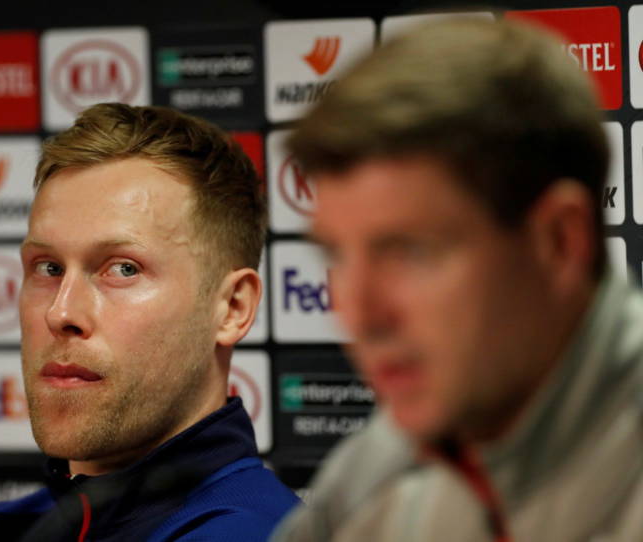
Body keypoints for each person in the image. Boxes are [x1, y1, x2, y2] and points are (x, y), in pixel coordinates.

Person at [271, 17, 643, 542]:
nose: (359, 315)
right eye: (335, 255)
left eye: (409, 251)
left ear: (560, 240)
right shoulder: (370, 479)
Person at [0, 103, 298, 542]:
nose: (60, 313)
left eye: (123, 269)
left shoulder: (257, 533)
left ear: (233, 307)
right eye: (48, 268)